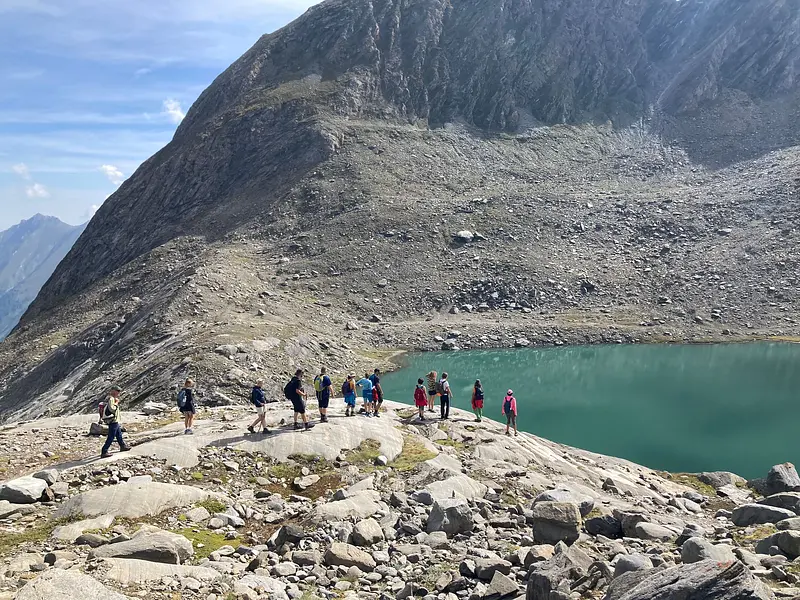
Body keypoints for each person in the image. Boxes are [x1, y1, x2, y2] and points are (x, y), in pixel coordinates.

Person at [101, 385, 131, 458]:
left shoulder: (109, 398)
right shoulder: (111, 399)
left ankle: (122, 446)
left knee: (118, 433)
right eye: (117, 391)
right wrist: (116, 403)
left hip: (114, 420)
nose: (118, 393)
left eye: (119, 391)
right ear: (113, 391)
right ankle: (104, 451)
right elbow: (112, 409)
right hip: (112, 420)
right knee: (111, 436)